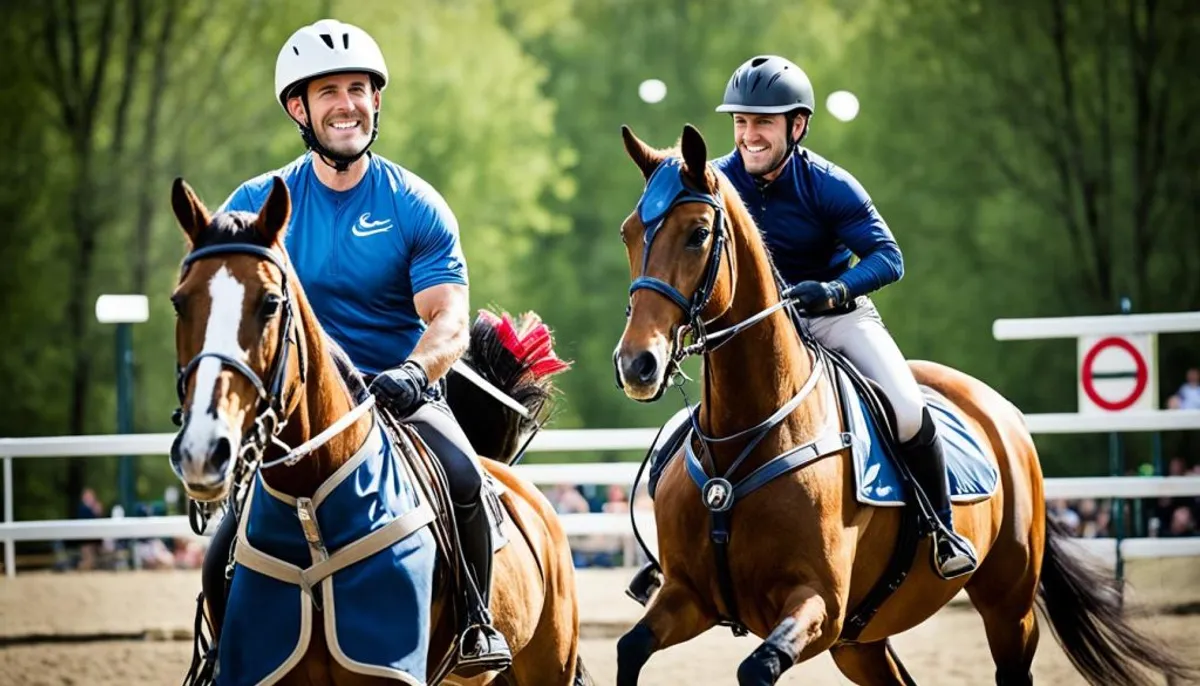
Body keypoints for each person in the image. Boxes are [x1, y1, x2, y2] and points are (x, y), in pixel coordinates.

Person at [201, 19, 509, 673]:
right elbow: (222, 311)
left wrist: (414, 371)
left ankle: (477, 620)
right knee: (226, 536)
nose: (349, 104)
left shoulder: (415, 204)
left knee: (464, 477)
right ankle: (215, 653)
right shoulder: (256, 205)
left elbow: (449, 319)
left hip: (396, 393)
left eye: (360, 89)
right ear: (298, 109)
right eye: (330, 92)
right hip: (291, 414)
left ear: (377, 99)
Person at [627, 55, 977, 603]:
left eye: (763, 123)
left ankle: (941, 527)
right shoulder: (715, 182)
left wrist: (834, 289)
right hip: (763, 331)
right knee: (680, 437)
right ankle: (670, 558)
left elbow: (889, 257)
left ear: (797, 125)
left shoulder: (828, 186)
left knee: (907, 409)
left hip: (836, 317)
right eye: (741, 122)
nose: (749, 135)